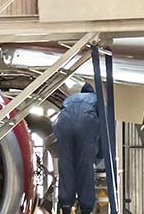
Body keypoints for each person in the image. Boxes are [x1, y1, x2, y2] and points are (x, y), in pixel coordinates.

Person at [54, 83, 108, 214]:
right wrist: (100, 155)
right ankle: (86, 208)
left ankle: (66, 206)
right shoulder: (98, 101)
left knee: (66, 166)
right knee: (84, 167)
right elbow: (105, 130)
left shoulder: (70, 98)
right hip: (85, 122)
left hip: (63, 124)